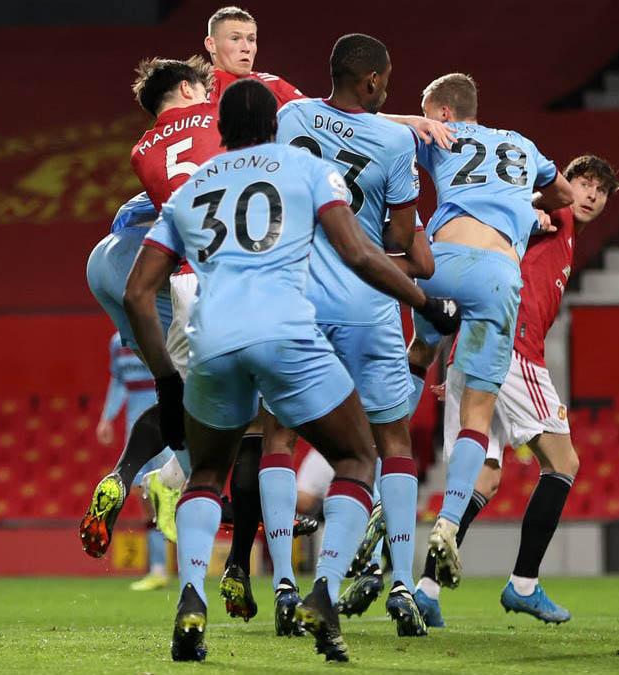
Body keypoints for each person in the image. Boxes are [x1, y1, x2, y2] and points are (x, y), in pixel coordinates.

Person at [122, 78, 460, 662]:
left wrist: (167, 381)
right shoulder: (306, 169)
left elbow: (136, 294)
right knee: (358, 455)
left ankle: (190, 599)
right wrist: (426, 303)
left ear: (220, 131)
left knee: (206, 473)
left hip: (213, 342)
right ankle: (324, 591)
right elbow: (358, 253)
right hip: (286, 336)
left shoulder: (192, 187)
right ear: (276, 126)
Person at [377, 155, 619, 627]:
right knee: (564, 463)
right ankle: (524, 584)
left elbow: (485, 265)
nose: (590, 194)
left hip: (479, 345)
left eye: (601, 190)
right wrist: (533, 207)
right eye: (584, 182)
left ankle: (425, 589)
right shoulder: (558, 215)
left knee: (483, 479)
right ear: (567, 184)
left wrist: (460, 347)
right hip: (514, 346)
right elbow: (511, 216)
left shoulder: (567, 238)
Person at [269, 33, 433, 637]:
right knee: (390, 444)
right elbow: (399, 238)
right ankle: (399, 587)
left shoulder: (289, 117)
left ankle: (284, 582)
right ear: (371, 82)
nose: (388, 87)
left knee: (279, 436)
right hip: (367, 306)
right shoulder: (395, 140)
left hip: (295, 303)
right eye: (385, 79)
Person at [404, 73, 574, 589]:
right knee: (479, 415)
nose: (426, 119)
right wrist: (525, 206)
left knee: (418, 354)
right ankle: (450, 523)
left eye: (426, 111)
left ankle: (384, 466)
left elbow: (365, 125)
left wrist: (411, 122)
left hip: (443, 262)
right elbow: (563, 191)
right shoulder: (522, 145)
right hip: (499, 278)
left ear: (444, 113)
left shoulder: (440, 133)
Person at [81, 193, 178, 558]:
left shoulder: (155, 162)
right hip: (154, 268)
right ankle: (173, 488)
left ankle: (121, 476)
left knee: (174, 392)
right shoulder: (215, 170)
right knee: (205, 400)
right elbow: (118, 381)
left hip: (104, 264)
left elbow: (124, 215)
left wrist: (107, 419)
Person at [96, 332, 173, 590]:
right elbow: (119, 381)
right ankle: (159, 569)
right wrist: (107, 417)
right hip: (136, 429)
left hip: (166, 423)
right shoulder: (117, 342)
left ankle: (189, 565)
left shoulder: (161, 331)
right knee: (144, 496)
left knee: (171, 492)